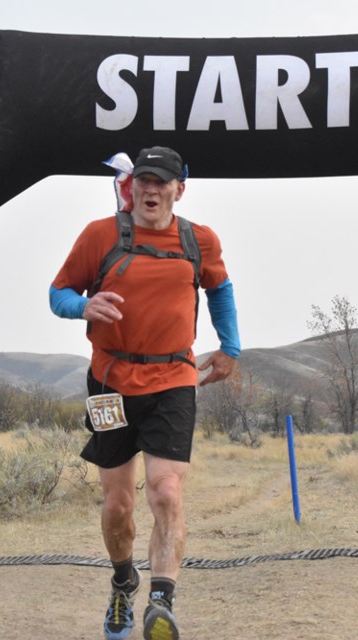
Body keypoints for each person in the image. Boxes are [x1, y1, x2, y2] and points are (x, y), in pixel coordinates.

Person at [49, 146, 240, 640]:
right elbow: (58, 293)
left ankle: (161, 600)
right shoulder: (100, 235)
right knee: (117, 505)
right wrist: (83, 307)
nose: (150, 190)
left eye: (161, 182)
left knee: (167, 491)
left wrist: (230, 347)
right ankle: (121, 583)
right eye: (143, 181)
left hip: (174, 379)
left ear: (180, 188)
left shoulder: (199, 240)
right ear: (130, 186)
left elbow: (219, 289)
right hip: (110, 383)